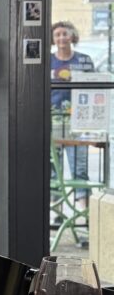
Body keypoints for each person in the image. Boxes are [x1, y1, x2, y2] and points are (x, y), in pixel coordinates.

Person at [50, 21, 96, 205]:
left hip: (78, 122)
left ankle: (83, 216)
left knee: (80, 167)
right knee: (53, 170)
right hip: (53, 122)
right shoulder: (49, 61)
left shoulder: (83, 60)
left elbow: (93, 90)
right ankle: (57, 213)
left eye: (65, 34)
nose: (62, 38)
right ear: (53, 39)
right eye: (58, 34)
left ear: (72, 36)